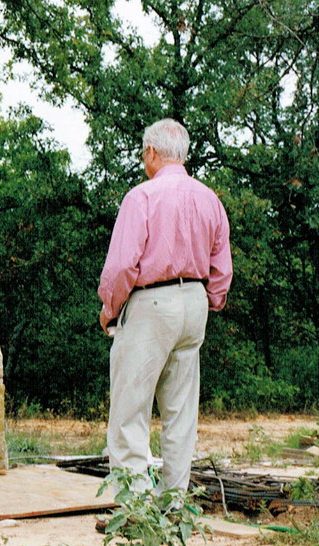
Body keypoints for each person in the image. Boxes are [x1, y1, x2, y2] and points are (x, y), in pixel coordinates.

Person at [98, 118, 233, 496]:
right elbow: (222, 269)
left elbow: (122, 266)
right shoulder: (210, 199)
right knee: (180, 413)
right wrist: (208, 300)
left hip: (151, 302)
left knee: (130, 410)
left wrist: (110, 309)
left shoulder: (141, 196)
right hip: (195, 301)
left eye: (145, 153)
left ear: (152, 152)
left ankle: (133, 506)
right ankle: (174, 503)